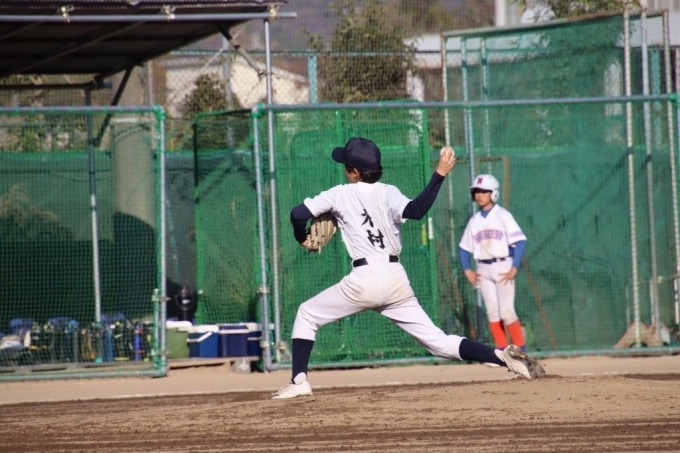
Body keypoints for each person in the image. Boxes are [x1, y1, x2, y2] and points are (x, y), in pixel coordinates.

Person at [273, 138, 544, 400]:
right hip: (395, 279)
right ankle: (502, 357)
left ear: (354, 172)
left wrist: (301, 236)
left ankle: (299, 381)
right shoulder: (388, 191)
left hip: (363, 279)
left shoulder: (339, 193)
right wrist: (439, 174)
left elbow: (297, 214)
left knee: (307, 314)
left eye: (346, 165)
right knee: (439, 342)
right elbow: (416, 210)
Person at [458, 174, 528, 355]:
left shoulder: (503, 215)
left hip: (503, 265)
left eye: (484, 191)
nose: (479, 195)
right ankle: (501, 354)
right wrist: (467, 270)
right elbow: (463, 248)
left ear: (493, 193)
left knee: (506, 310)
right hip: (483, 268)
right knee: (492, 312)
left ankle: (521, 351)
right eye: (476, 192)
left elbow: (520, 241)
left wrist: (514, 266)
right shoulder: (474, 221)